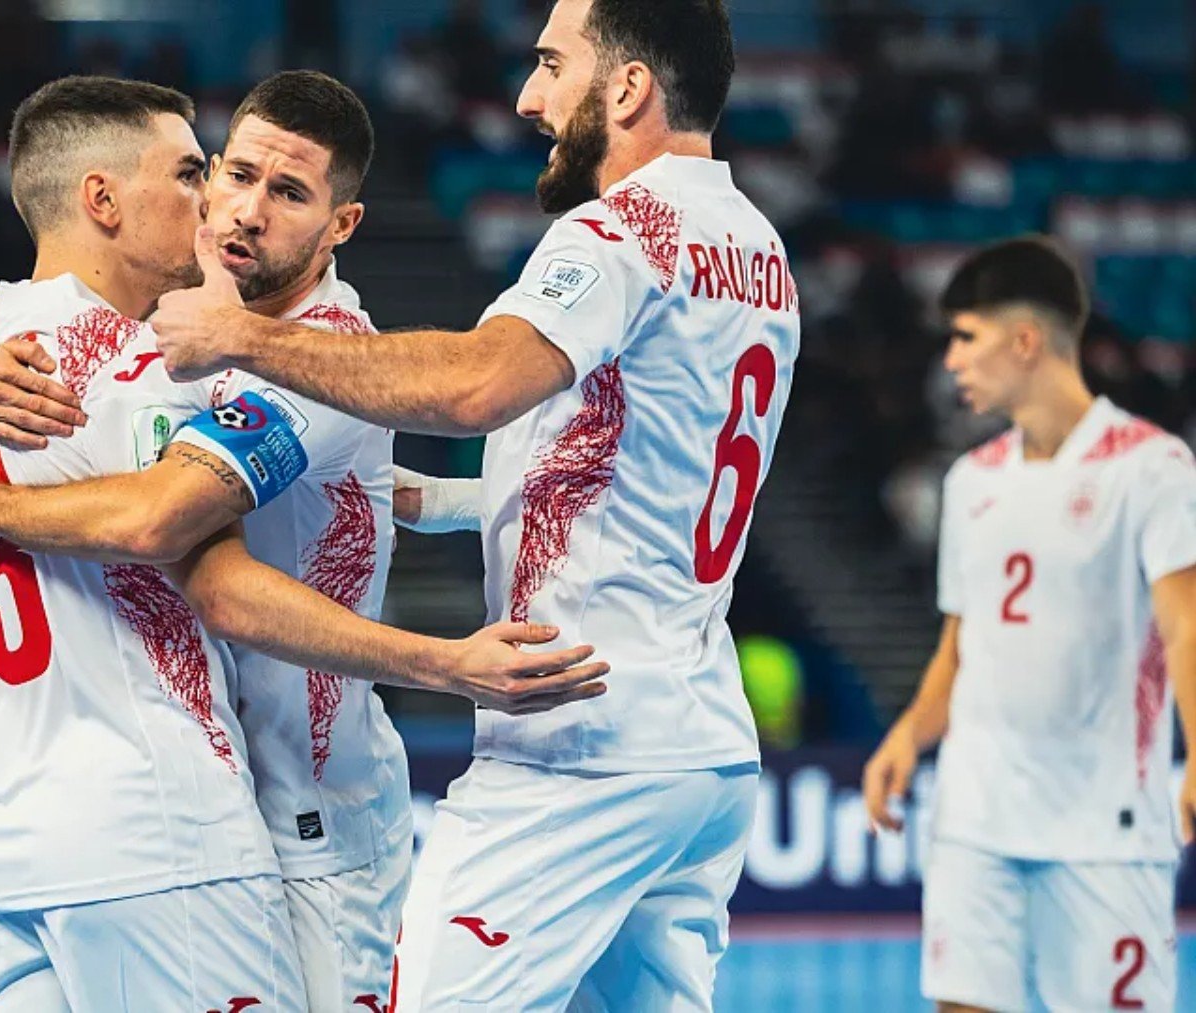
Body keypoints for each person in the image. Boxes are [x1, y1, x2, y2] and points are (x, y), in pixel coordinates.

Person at [132, 0, 794, 1003]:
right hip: (699, 741)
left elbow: (475, 386)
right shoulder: (758, 249)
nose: (530, 99)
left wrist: (243, 337)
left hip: (578, 739)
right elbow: (631, 465)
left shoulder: (623, 230)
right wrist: (431, 499)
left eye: (551, 65)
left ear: (627, 88)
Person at [0, 75, 608, 1012]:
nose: (241, 211)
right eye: (229, 173)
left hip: (314, 824)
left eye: (287, 194)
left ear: (342, 225)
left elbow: (171, 530)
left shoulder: (317, 356)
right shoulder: (161, 330)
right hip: (186, 812)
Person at [0, 70, 413, 1013]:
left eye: (286, 192)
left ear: (340, 223)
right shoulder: (153, 375)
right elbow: (173, 535)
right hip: (165, 825)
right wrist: (449, 665)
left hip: (8, 836)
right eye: (206, 174)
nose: (221, 210)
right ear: (103, 199)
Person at [862, 237, 1196, 1012]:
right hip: (977, 819)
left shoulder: (1151, 467)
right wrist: (908, 735)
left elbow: (1185, 627)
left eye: (967, 337)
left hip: (1104, 828)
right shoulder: (971, 481)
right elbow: (959, 648)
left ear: (1025, 340)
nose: (951, 361)